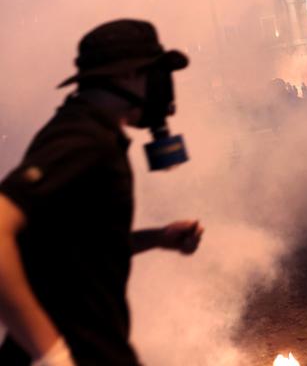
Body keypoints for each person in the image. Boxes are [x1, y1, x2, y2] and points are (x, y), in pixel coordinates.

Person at [0, 20, 204, 365]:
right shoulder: (84, 138)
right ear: (127, 75)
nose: (162, 88)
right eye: (155, 74)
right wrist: (52, 355)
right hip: (82, 353)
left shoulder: (91, 132)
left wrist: (156, 238)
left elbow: (71, 249)